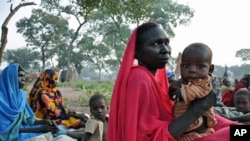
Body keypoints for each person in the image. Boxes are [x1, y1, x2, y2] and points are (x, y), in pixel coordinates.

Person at [108, 22, 239, 141]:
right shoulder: (139, 78)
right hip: (180, 135)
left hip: (188, 128)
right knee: (231, 135)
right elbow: (150, 137)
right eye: (155, 44)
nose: (166, 50)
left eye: (166, 43)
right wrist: (199, 109)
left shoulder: (158, 77)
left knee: (238, 130)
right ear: (137, 52)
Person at [0, 63, 76, 141]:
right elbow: (5, 131)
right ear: (9, 78)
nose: (23, 79)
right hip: (7, 136)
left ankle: (77, 135)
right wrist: (38, 129)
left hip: (22, 129)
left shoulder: (21, 95)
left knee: (51, 129)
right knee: (42, 134)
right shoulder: (1, 100)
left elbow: (29, 119)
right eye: (19, 76)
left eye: (24, 76)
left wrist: (45, 121)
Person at [169, 43, 217, 140]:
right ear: (181, 66)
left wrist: (178, 91)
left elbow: (192, 93)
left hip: (198, 132)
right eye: (186, 65)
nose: (192, 70)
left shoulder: (204, 83)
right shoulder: (185, 81)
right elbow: (172, 96)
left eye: (200, 66)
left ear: (210, 69)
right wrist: (172, 89)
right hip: (184, 130)